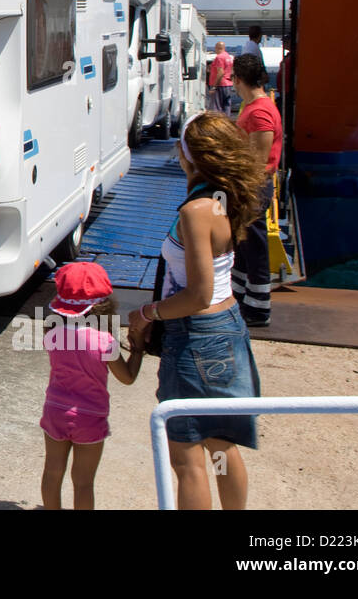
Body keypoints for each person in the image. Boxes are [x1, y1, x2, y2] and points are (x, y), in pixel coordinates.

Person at [128, 112, 266, 510]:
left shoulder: (196, 210)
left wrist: (148, 313)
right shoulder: (225, 198)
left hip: (197, 337)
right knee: (222, 446)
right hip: (227, 329)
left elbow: (198, 294)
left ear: (188, 155)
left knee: (187, 458)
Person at [39, 261, 142, 510]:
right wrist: (138, 350)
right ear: (103, 304)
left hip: (55, 411)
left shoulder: (52, 334)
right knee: (83, 483)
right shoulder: (104, 342)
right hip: (90, 417)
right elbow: (127, 378)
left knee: (52, 472)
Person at [232, 53, 283, 327]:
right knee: (244, 243)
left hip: (254, 185)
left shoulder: (259, 111)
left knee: (254, 244)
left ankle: (259, 308)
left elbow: (259, 159)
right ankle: (241, 298)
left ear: (238, 79)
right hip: (251, 184)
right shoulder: (254, 107)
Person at [207, 41, 234, 115]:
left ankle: (218, 125)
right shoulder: (228, 57)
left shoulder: (219, 57)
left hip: (220, 85)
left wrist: (214, 87)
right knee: (226, 106)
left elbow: (221, 72)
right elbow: (231, 71)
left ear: (217, 48)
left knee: (217, 108)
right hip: (228, 84)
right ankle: (227, 123)